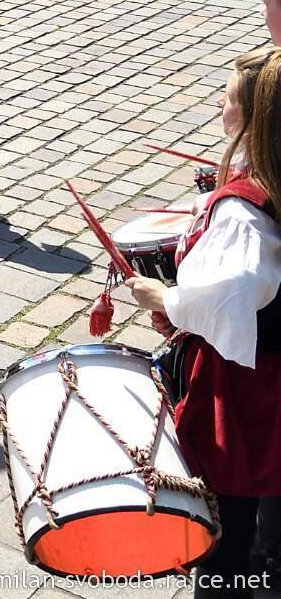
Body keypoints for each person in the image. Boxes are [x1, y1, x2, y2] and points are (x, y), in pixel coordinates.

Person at [123, 47, 281, 592]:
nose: (220, 102)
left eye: (230, 98)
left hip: (248, 385)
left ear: (256, 119)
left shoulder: (243, 212)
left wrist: (163, 298)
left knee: (226, 515)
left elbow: (227, 298)